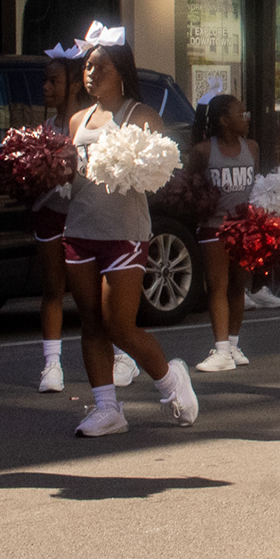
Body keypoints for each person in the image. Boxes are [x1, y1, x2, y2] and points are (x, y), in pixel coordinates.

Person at [62, 36, 200, 435]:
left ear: (121, 72)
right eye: (87, 67)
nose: (91, 74)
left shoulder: (140, 116)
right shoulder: (78, 121)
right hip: (79, 228)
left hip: (125, 232)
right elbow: (70, 177)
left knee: (119, 324)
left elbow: (162, 173)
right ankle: (108, 408)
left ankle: (171, 381)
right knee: (90, 322)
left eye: (100, 67)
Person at [32, 53, 88, 394]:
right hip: (51, 215)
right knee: (53, 288)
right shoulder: (46, 128)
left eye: (54, 81)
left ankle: (118, 354)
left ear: (74, 84)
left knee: (90, 296)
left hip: (84, 216)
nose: (46, 87)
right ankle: (52, 365)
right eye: (46, 80)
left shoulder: (86, 124)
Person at [191, 94, 258, 374]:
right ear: (223, 120)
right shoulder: (204, 151)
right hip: (214, 228)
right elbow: (189, 184)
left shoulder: (252, 147)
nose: (246, 118)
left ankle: (232, 346)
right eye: (240, 114)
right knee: (217, 285)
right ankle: (220, 350)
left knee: (237, 287)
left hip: (244, 227)